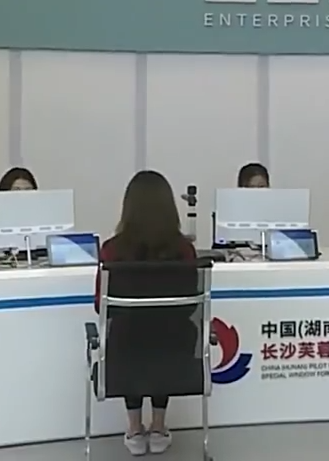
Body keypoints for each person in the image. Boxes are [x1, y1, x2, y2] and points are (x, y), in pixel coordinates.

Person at [94, 170, 197, 456]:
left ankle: (134, 429)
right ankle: (159, 427)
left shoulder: (112, 250)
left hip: (126, 350)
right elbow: (190, 305)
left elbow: (101, 304)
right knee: (163, 337)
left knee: (130, 336)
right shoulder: (184, 250)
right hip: (174, 350)